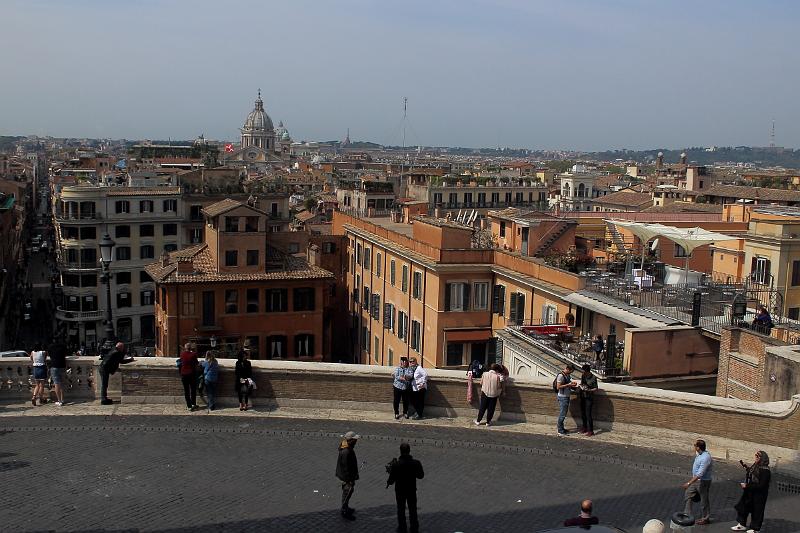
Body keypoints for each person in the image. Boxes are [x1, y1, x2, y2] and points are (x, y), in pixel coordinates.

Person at [387, 442, 425, 533]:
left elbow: (391, 480)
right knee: (412, 509)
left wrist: (390, 475)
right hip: (411, 490)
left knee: (401, 509)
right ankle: (414, 528)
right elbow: (421, 476)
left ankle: (402, 528)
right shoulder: (416, 463)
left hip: (400, 490)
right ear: (409, 451)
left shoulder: (396, 464)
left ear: (400, 451)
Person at [732, 451, 771, 533]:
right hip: (750, 491)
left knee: (757, 511)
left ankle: (755, 529)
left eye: (758, 456)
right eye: (756, 455)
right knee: (743, 507)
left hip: (759, 494)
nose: (756, 457)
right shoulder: (755, 466)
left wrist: (747, 486)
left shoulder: (765, 471)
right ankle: (742, 524)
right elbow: (752, 473)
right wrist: (746, 468)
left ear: (763, 458)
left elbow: (762, 485)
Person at [683, 439, 713, 525]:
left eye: (695, 445)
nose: (694, 446)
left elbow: (700, 474)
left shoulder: (705, 458)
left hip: (703, 482)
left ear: (698, 447)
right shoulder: (699, 453)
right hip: (695, 481)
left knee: (704, 500)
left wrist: (688, 483)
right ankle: (687, 515)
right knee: (688, 494)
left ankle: (705, 518)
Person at [335, 431, 360, 521]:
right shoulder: (346, 451)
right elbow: (346, 467)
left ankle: (346, 507)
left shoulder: (347, 447)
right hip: (346, 477)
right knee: (347, 492)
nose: (356, 441)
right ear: (351, 440)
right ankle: (344, 511)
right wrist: (349, 480)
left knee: (348, 492)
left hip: (346, 476)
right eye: (355, 440)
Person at [555, 363, 578, 435]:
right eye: (571, 371)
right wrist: (569, 385)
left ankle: (562, 428)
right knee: (562, 414)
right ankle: (560, 430)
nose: (571, 373)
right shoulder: (560, 376)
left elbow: (568, 382)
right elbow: (558, 387)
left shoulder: (567, 375)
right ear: (568, 369)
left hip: (566, 396)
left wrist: (572, 384)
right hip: (562, 397)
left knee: (563, 414)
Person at [47, 335, 68, 407]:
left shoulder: (50, 347)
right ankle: (62, 399)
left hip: (54, 366)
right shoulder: (63, 346)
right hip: (62, 365)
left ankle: (59, 401)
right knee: (62, 383)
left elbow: (50, 356)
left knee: (57, 384)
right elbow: (65, 355)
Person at [578, 364, 598, 436]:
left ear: (587, 371)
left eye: (583, 371)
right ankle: (584, 427)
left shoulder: (593, 378)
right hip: (582, 396)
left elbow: (596, 388)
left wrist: (589, 390)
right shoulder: (583, 376)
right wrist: (581, 386)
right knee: (583, 413)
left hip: (589, 397)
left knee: (588, 414)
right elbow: (582, 383)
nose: (582, 373)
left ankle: (590, 430)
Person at [178, 343, 199, 411]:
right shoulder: (193, 354)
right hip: (191, 374)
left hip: (183, 374)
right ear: (190, 348)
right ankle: (193, 404)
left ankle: (189, 406)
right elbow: (196, 363)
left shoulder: (182, 354)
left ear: (185, 348)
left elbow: (181, 361)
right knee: (193, 389)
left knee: (186, 391)